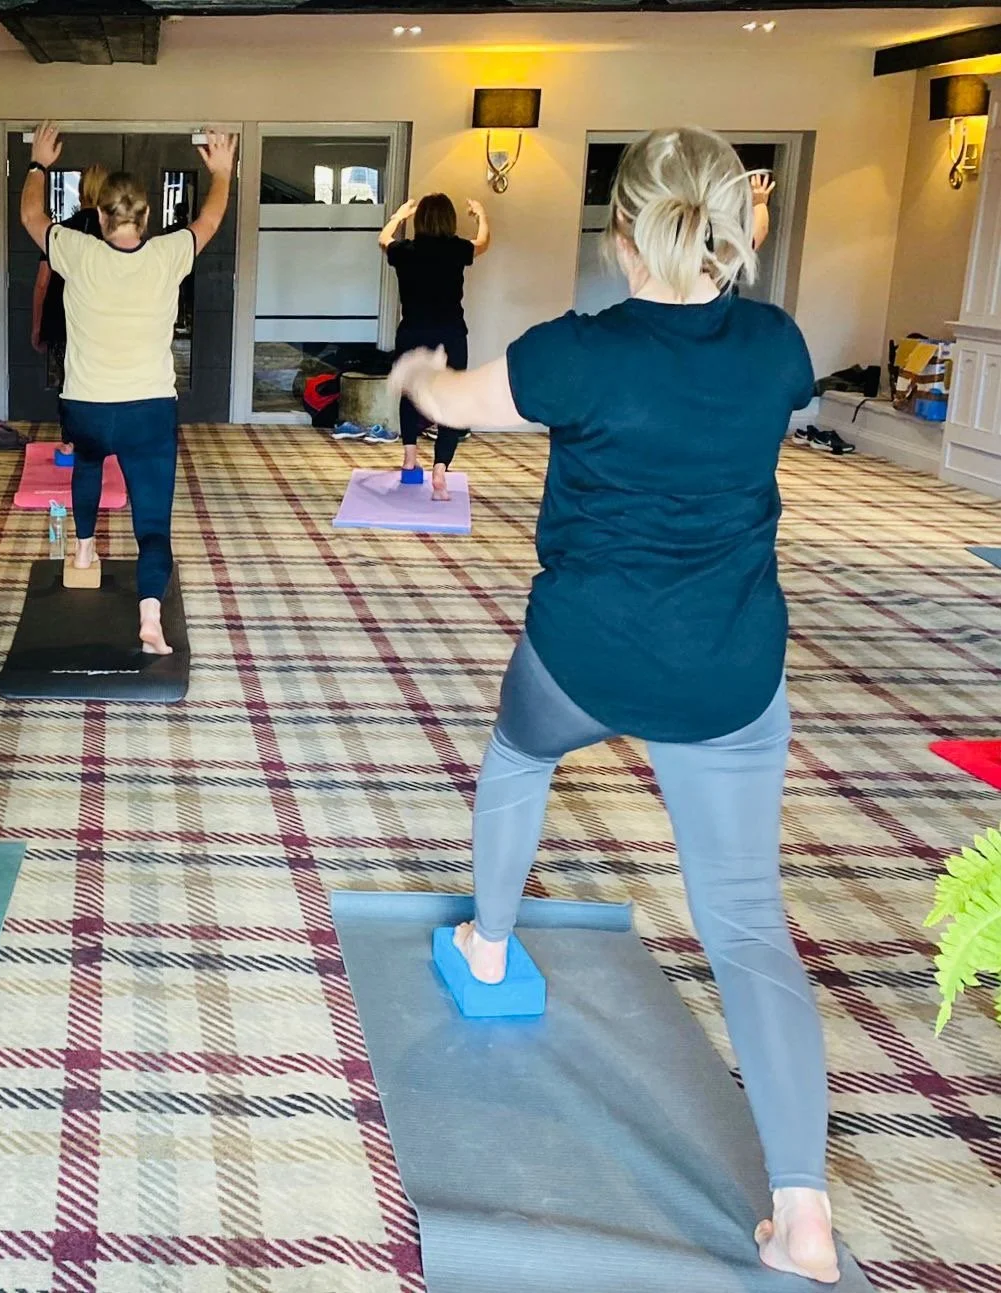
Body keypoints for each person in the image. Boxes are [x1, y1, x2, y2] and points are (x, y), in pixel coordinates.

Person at [389, 127, 838, 1284]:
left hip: (584, 654)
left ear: (619, 231)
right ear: (737, 223)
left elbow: (455, 396)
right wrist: (745, 240)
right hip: (728, 669)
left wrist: (410, 378)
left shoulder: (572, 356)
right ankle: (805, 1218)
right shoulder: (778, 346)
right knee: (744, 923)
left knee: (515, 762)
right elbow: (736, 345)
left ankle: (488, 949)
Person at [18, 123, 234, 656]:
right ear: (146, 218)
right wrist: (223, 172)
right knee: (153, 520)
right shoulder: (168, 254)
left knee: (88, 467)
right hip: (148, 410)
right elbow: (209, 219)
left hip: (87, 407)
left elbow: (30, 216)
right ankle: (150, 619)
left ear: (98, 214)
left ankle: (86, 552)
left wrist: (39, 164)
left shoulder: (76, 250)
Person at [379, 192, 489, 501]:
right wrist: (480, 214)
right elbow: (483, 242)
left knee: (410, 395)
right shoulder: (457, 250)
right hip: (450, 334)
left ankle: (410, 460)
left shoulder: (404, 251)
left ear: (420, 220)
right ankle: (440, 470)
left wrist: (399, 216)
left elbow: (382, 239)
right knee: (451, 402)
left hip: (412, 332)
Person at [31, 162, 108, 459]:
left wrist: (37, 328)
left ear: (81, 191)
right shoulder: (114, 237)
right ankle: (100, 444)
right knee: (101, 383)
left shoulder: (60, 233)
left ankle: (71, 443)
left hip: (62, 324)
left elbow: (41, 284)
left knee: (70, 384)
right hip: (100, 326)